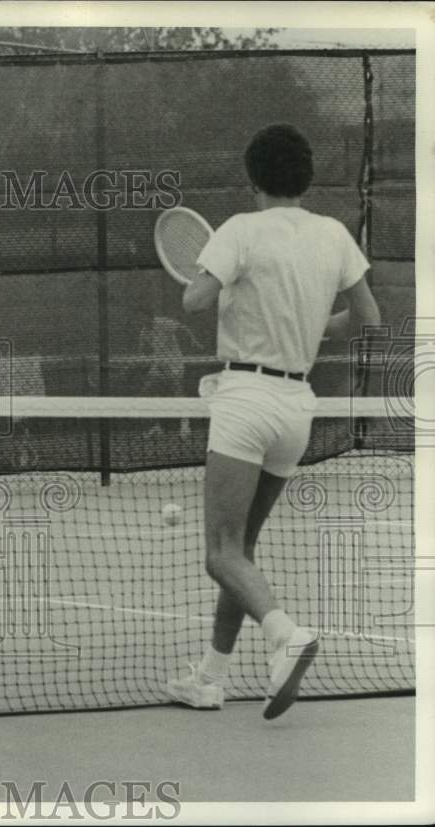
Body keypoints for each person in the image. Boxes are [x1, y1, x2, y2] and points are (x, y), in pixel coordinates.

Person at [167, 124, 381, 720]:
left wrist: (214, 275)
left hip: (245, 402)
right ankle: (210, 678)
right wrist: (314, 325)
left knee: (220, 553)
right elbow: (366, 315)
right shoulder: (333, 234)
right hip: (297, 411)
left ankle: (286, 633)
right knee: (244, 551)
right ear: (305, 177)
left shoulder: (239, 229)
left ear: (252, 178)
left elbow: (194, 302)